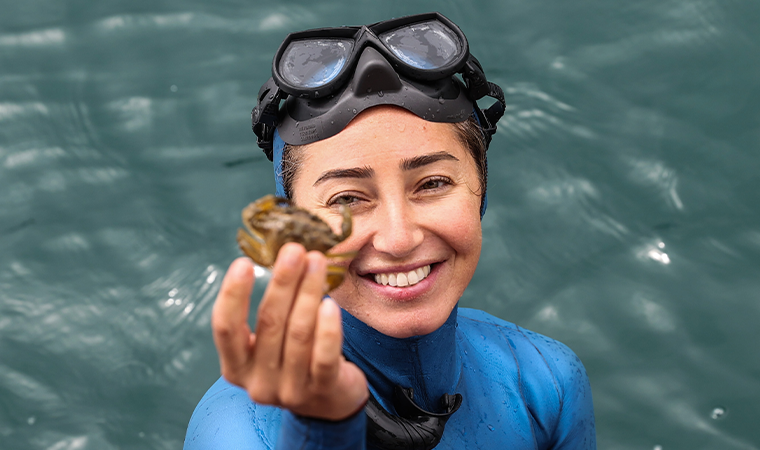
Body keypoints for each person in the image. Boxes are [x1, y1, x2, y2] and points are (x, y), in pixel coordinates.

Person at [184, 12, 596, 450]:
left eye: (433, 183)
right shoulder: (238, 433)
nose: (399, 239)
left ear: (482, 195)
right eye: (347, 198)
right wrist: (321, 436)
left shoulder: (547, 381)